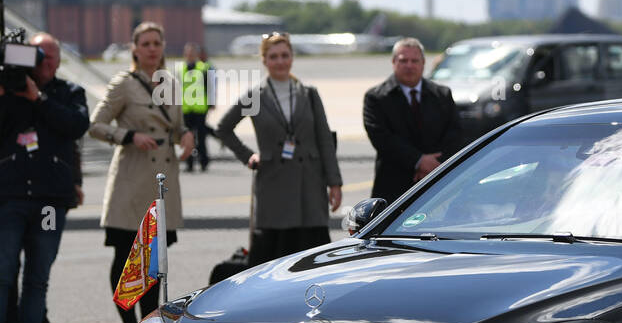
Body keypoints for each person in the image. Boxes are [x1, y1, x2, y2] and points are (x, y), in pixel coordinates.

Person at [89, 22, 194, 323]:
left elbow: (176, 126)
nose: (151, 49)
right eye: (145, 43)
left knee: (155, 260)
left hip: (162, 178)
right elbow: (96, 124)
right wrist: (128, 136)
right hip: (132, 179)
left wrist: (186, 135)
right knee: (126, 257)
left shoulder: (172, 84)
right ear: (134, 49)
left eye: (157, 43)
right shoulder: (123, 84)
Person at [0, 35, 90, 323]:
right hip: (9, 198)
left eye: (51, 56)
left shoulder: (70, 93)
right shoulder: (8, 90)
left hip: (50, 204)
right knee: (3, 274)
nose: (45, 62)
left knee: (39, 276)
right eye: (38, 57)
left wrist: (37, 98)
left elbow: (76, 125)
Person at [215, 32, 343, 266]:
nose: (280, 61)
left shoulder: (309, 94)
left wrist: (334, 182)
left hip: (310, 188)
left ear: (292, 57)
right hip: (274, 186)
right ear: (264, 60)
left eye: (285, 55)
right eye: (273, 56)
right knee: (273, 260)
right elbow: (223, 128)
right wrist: (248, 156)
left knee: (312, 259)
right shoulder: (255, 96)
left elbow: (324, 139)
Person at [363, 38, 462, 204]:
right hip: (393, 189)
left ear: (423, 63)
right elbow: (382, 139)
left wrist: (434, 165)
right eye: (403, 60)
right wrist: (418, 161)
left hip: (437, 184)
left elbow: (455, 135)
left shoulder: (442, 95)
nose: (409, 65)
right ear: (393, 62)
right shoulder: (376, 98)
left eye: (414, 60)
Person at [175, 42, 212, 172]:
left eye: (192, 53)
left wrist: (211, 103)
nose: (190, 55)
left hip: (200, 108)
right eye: (188, 53)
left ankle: (204, 161)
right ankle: (189, 163)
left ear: (197, 54)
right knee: (187, 136)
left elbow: (210, 88)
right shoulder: (180, 69)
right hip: (185, 108)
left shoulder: (204, 68)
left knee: (201, 137)